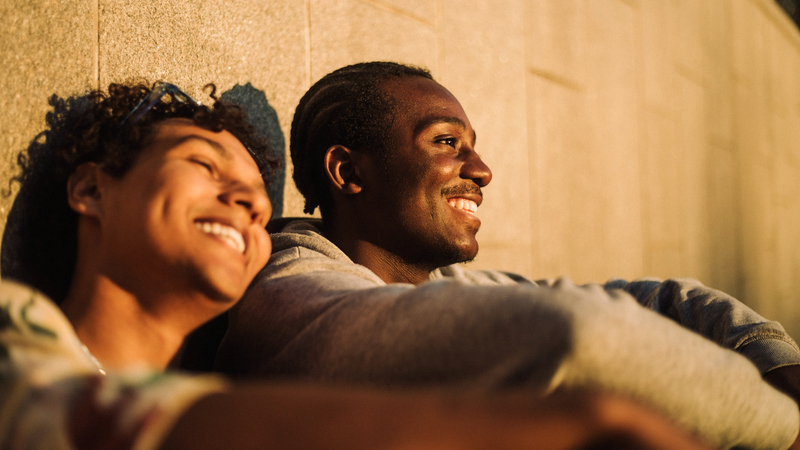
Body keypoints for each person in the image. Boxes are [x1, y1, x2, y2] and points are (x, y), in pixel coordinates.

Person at [0, 81, 712, 450]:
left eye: (256, 199)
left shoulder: (220, 379)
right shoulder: (16, 331)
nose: (247, 204)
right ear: (91, 190)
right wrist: (582, 425)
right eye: (204, 166)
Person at [215, 62, 800, 450]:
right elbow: (581, 333)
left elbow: (662, 301)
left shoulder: (449, 285)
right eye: (447, 142)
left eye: (472, 146)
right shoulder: (292, 295)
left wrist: (771, 358)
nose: (482, 170)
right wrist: (783, 426)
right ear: (347, 172)